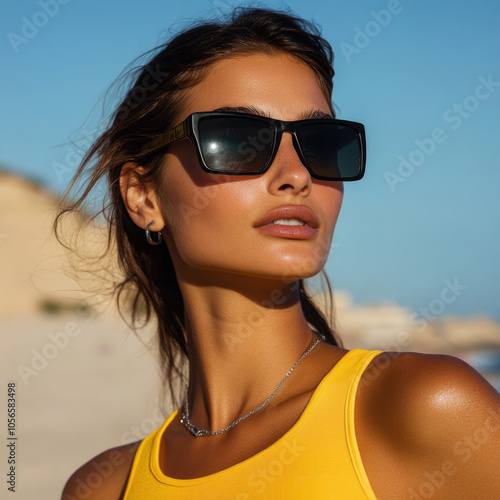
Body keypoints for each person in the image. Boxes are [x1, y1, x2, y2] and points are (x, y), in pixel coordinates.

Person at [59, 7, 500, 500]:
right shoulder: (103, 488)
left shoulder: (424, 409)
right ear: (145, 197)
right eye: (239, 141)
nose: (297, 174)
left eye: (321, 143)